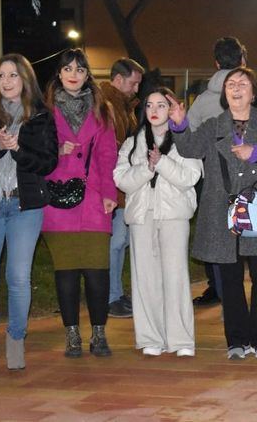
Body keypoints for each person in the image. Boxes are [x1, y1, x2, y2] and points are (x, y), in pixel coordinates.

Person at [169, 66, 257, 360]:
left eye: (242, 84)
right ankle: (236, 340)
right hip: (221, 210)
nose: (235, 88)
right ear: (224, 93)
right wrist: (180, 125)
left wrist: (256, 154)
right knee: (230, 279)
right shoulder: (213, 125)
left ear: (254, 92)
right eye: (230, 84)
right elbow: (190, 149)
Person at [113, 88, 202, 357]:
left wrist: (162, 163)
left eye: (161, 105)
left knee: (175, 276)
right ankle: (150, 337)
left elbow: (191, 177)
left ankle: (181, 340)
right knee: (145, 278)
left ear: (172, 108)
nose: (154, 110)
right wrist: (147, 168)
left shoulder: (184, 141)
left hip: (174, 215)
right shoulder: (132, 143)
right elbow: (121, 180)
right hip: (142, 216)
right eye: (150, 105)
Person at [42, 48, 118, 358]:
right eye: (68, 68)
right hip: (57, 200)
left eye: (80, 69)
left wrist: (110, 193)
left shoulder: (102, 109)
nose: (74, 73)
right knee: (67, 272)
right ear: (59, 74)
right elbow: (34, 152)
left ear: (87, 75)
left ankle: (99, 334)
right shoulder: (44, 110)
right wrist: (56, 150)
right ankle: (72, 335)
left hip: (94, 199)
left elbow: (108, 154)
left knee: (98, 271)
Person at [188, 36, 257, 307]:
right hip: (254, 178)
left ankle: (224, 297)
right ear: (242, 60)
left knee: (221, 244)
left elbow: (190, 138)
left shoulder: (202, 100)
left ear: (215, 62)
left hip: (215, 181)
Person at [0, 54, 58, 370]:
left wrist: (17, 150)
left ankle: (16, 339)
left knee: (17, 277)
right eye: (1, 76)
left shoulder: (41, 117)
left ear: (25, 79)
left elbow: (47, 163)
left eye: (13, 75)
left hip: (24, 206)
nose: (7, 81)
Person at [101, 57, 144, 319]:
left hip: (120, 187)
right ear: (118, 80)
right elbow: (113, 151)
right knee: (116, 243)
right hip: (113, 188)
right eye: (133, 83)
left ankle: (114, 293)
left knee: (120, 242)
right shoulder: (108, 106)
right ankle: (110, 297)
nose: (136, 89)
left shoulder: (121, 105)